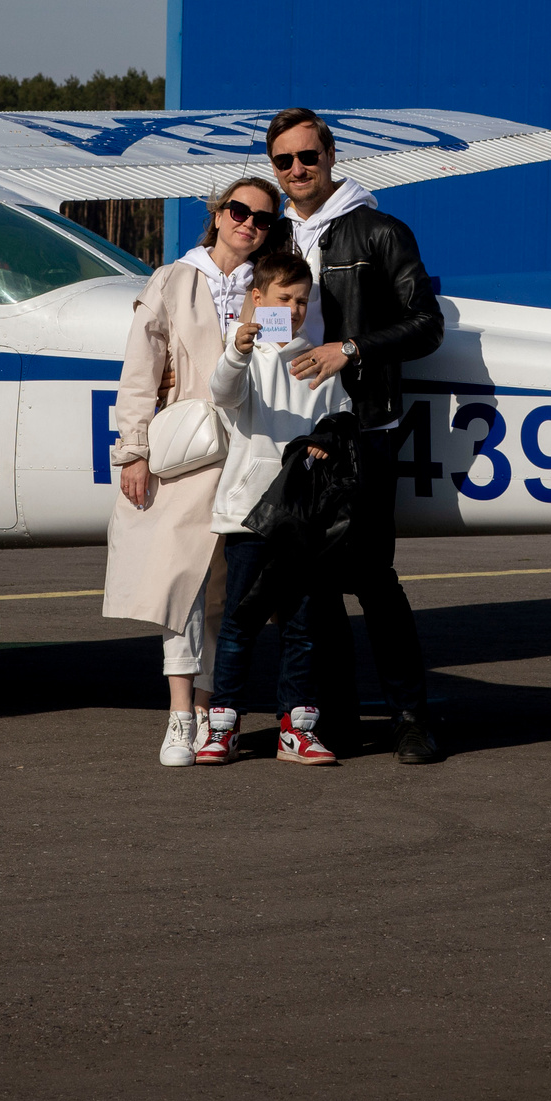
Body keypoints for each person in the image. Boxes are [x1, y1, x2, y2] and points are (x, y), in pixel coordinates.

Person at [267, 107, 449, 764]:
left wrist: (350, 348)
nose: (297, 170)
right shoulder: (271, 237)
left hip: (364, 427)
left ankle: (411, 718)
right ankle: (336, 717)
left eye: (307, 156)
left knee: (373, 577)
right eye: (284, 160)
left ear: (331, 155)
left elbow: (427, 324)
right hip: (290, 433)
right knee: (309, 586)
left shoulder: (379, 231)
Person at [102, 175, 284, 766]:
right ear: (218, 213)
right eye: (239, 211)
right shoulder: (174, 279)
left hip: (252, 450)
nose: (248, 224)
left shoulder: (270, 285)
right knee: (181, 582)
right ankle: (181, 714)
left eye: (262, 218)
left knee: (227, 591)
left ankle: (212, 711)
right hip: (189, 449)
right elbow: (140, 371)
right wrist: (134, 450)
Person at [195, 247, 350, 767]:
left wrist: (329, 435)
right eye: (285, 298)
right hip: (249, 516)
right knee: (239, 623)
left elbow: (342, 416)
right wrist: (239, 349)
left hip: (303, 520)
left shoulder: (319, 361)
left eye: (302, 300)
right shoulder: (245, 356)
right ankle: (223, 726)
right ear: (258, 299)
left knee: (302, 628)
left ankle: (297, 730)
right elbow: (223, 394)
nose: (295, 309)